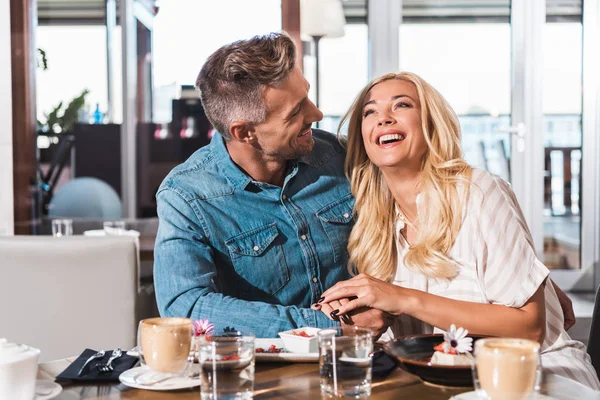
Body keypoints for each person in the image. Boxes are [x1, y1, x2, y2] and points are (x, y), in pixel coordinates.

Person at [315, 72, 600, 388]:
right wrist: (358, 316)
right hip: (443, 384)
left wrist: (400, 298)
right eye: (370, 111)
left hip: (538, 376)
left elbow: (528, 329)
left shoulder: (479, 193)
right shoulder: (373, 228)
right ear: (362, 138)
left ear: (431, 124)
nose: (383, 118)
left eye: (402, 105)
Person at [153, 32, 392, 338]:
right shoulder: (186, 196)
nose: (316, 114)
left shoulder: (341, 157)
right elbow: (186, 308)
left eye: (306, 96)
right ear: (244, 133)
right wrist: (328, 326)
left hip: (361, 361)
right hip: (262, 375)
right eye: (296, 112)